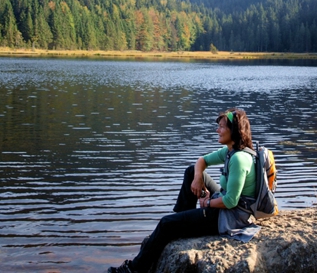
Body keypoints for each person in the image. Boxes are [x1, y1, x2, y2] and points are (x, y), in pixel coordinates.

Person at [108, 108, 260, 273]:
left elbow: (231, 201)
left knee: (165, 223)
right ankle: (182, 219)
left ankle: (134, 269)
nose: (217, 130)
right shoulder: (231, 151)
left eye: (222, 127)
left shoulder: (238, 159)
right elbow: (201, 161)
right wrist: (197, 178)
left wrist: (208, 202)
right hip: (224, 203)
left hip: (230, 217)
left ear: (234, 130)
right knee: (191, 172)